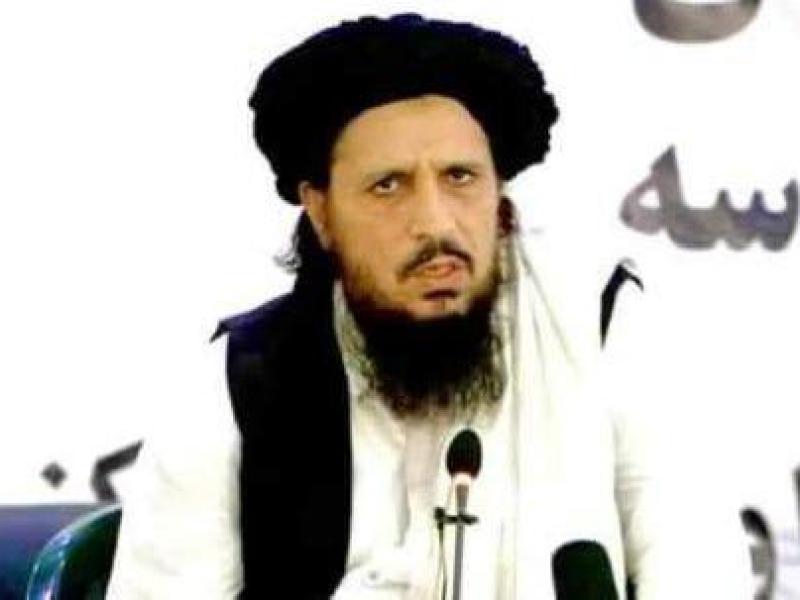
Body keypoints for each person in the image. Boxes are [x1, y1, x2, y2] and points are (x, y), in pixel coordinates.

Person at [106, 14, 751, 599]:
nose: (436, 223)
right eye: (388, 186)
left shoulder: (599, 324)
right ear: (321, 212)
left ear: (499, 193)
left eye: (460, 178)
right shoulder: (240, 383)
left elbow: (697, 566)